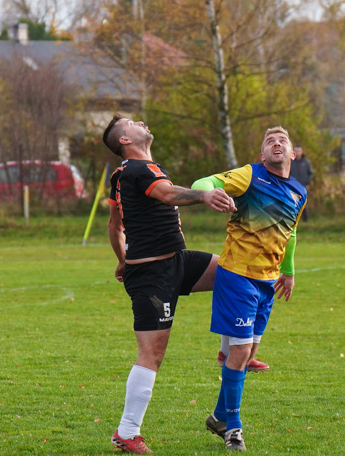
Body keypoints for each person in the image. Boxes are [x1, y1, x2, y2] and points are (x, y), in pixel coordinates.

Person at [102, 116, 236, 454]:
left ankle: (227, 349)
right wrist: (204, 196)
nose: (142, 122)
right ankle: (127, 432)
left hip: (176, 261)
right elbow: (167, 195)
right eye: (133, 122)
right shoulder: (137, 170)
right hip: (152, 275)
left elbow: (115, 224)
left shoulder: (124, 175)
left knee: (236, 274)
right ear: (124, 140)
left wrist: (121, 258)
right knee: (152, 354)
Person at [193, 126, 306, 451]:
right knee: (241, 352)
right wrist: (207, 192)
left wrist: (288, 271)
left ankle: (217, 416)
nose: (276, 143)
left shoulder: (299, 191)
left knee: (247, 353)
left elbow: (291, 234)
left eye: (282, 141)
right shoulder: (249, 175)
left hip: (268, 281)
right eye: (270, 141)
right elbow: (208, 181)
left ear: (292, 153)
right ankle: (234, 428)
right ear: (262, 154)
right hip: (237, 276)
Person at [289, 145, 313, 220]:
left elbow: (311, 173)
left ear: (301, 152)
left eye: (299, 151)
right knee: (292, 204)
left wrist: (307, 182)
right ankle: (294, 222)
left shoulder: (306, 162)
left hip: (303, 187)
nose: (297, 153)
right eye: (295, 151)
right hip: (292, 187)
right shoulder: (290, 162)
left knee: (304, 204)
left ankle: (305, 221)